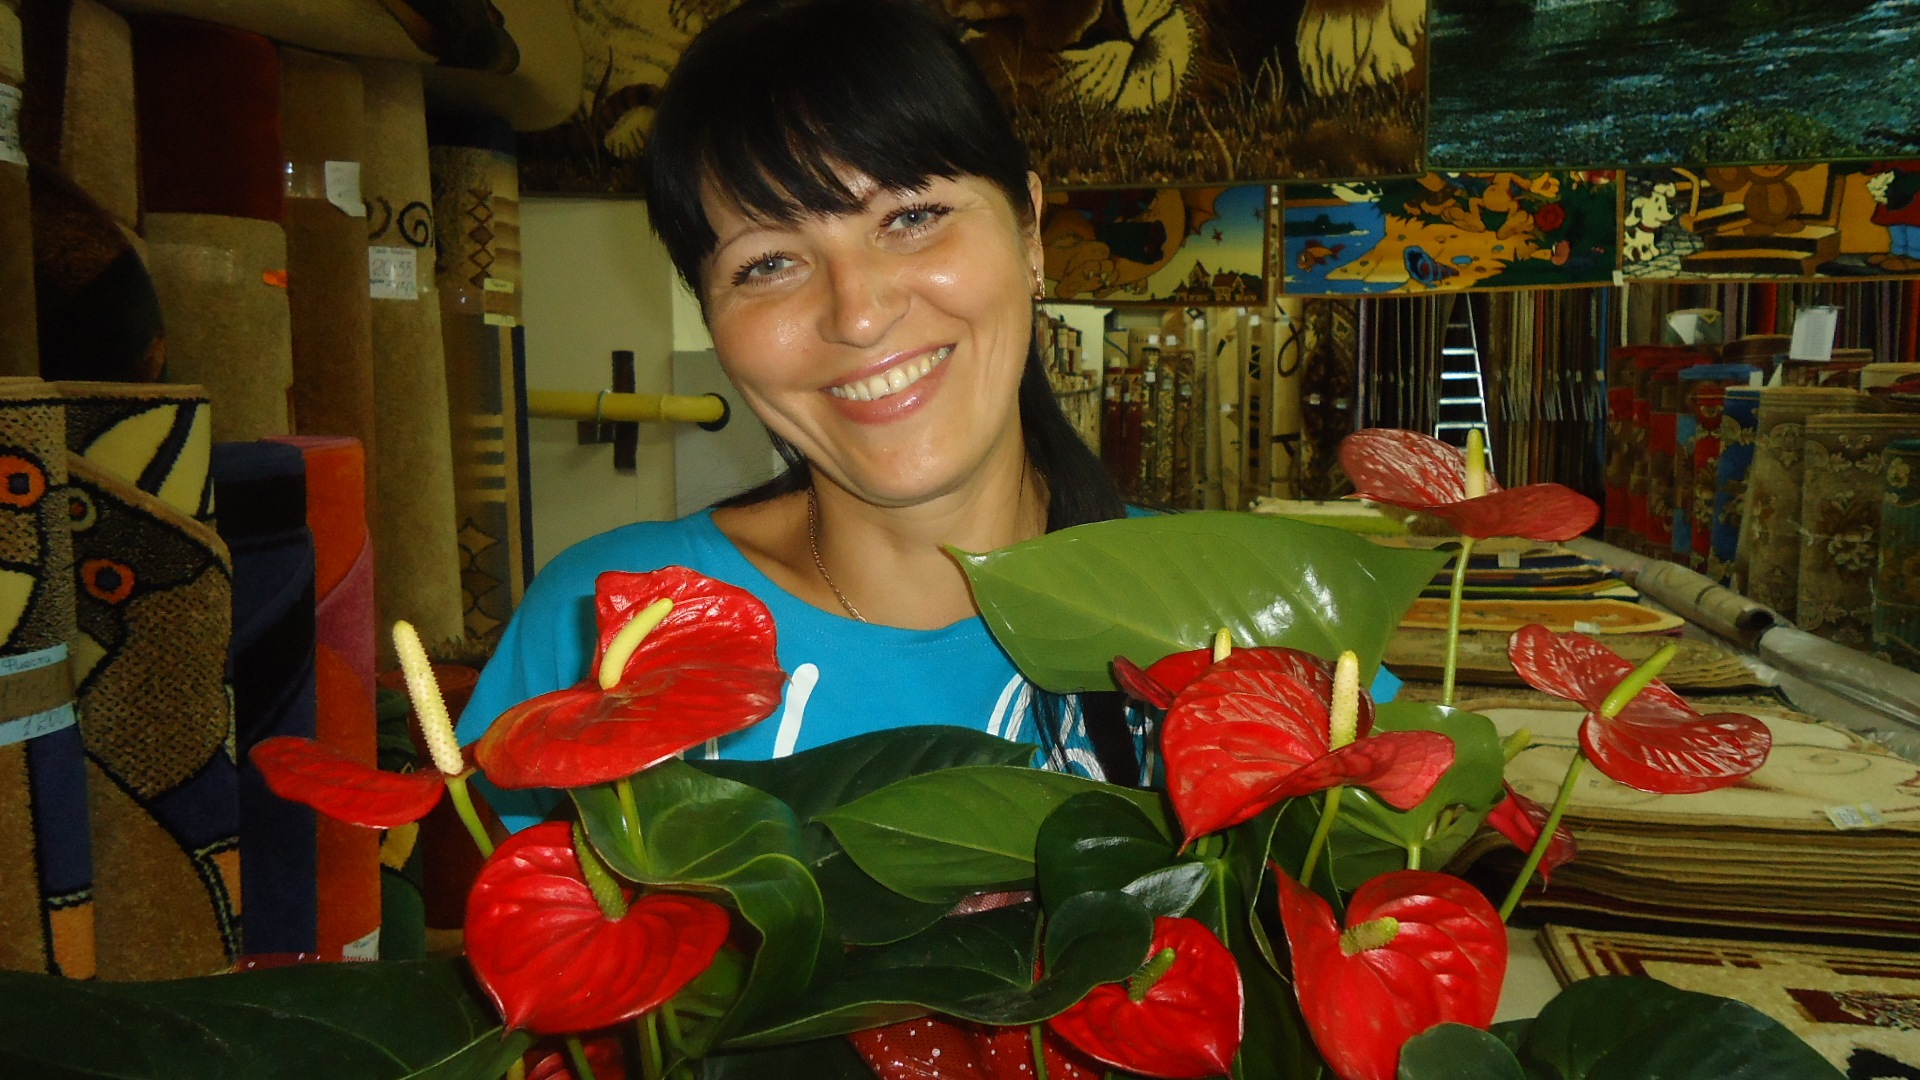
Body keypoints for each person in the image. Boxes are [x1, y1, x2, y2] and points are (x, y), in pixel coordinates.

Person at [456, 0, 1146, 831]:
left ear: (1030, 232)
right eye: (770, 262)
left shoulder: (1239, 629)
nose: (858, 314)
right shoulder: (604, 629)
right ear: (710, 314)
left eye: (912, 217)